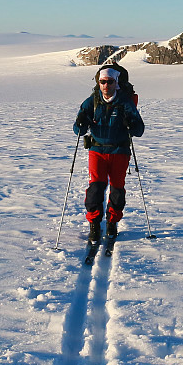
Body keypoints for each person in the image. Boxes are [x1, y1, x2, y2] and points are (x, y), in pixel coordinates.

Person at [73, 65, 145, 243]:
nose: (106, 85)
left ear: (116, 83)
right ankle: (95, 225)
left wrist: (132, 124)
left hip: (120, 150)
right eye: (102, 82)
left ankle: (112, 222)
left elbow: (139, 129)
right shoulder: (92, 101)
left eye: (109, 82)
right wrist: (81, 124)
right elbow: (77, 129)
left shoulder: (124, 102)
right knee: (95, 188)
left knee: (117, 190)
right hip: (97, 150)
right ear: (99, 83)